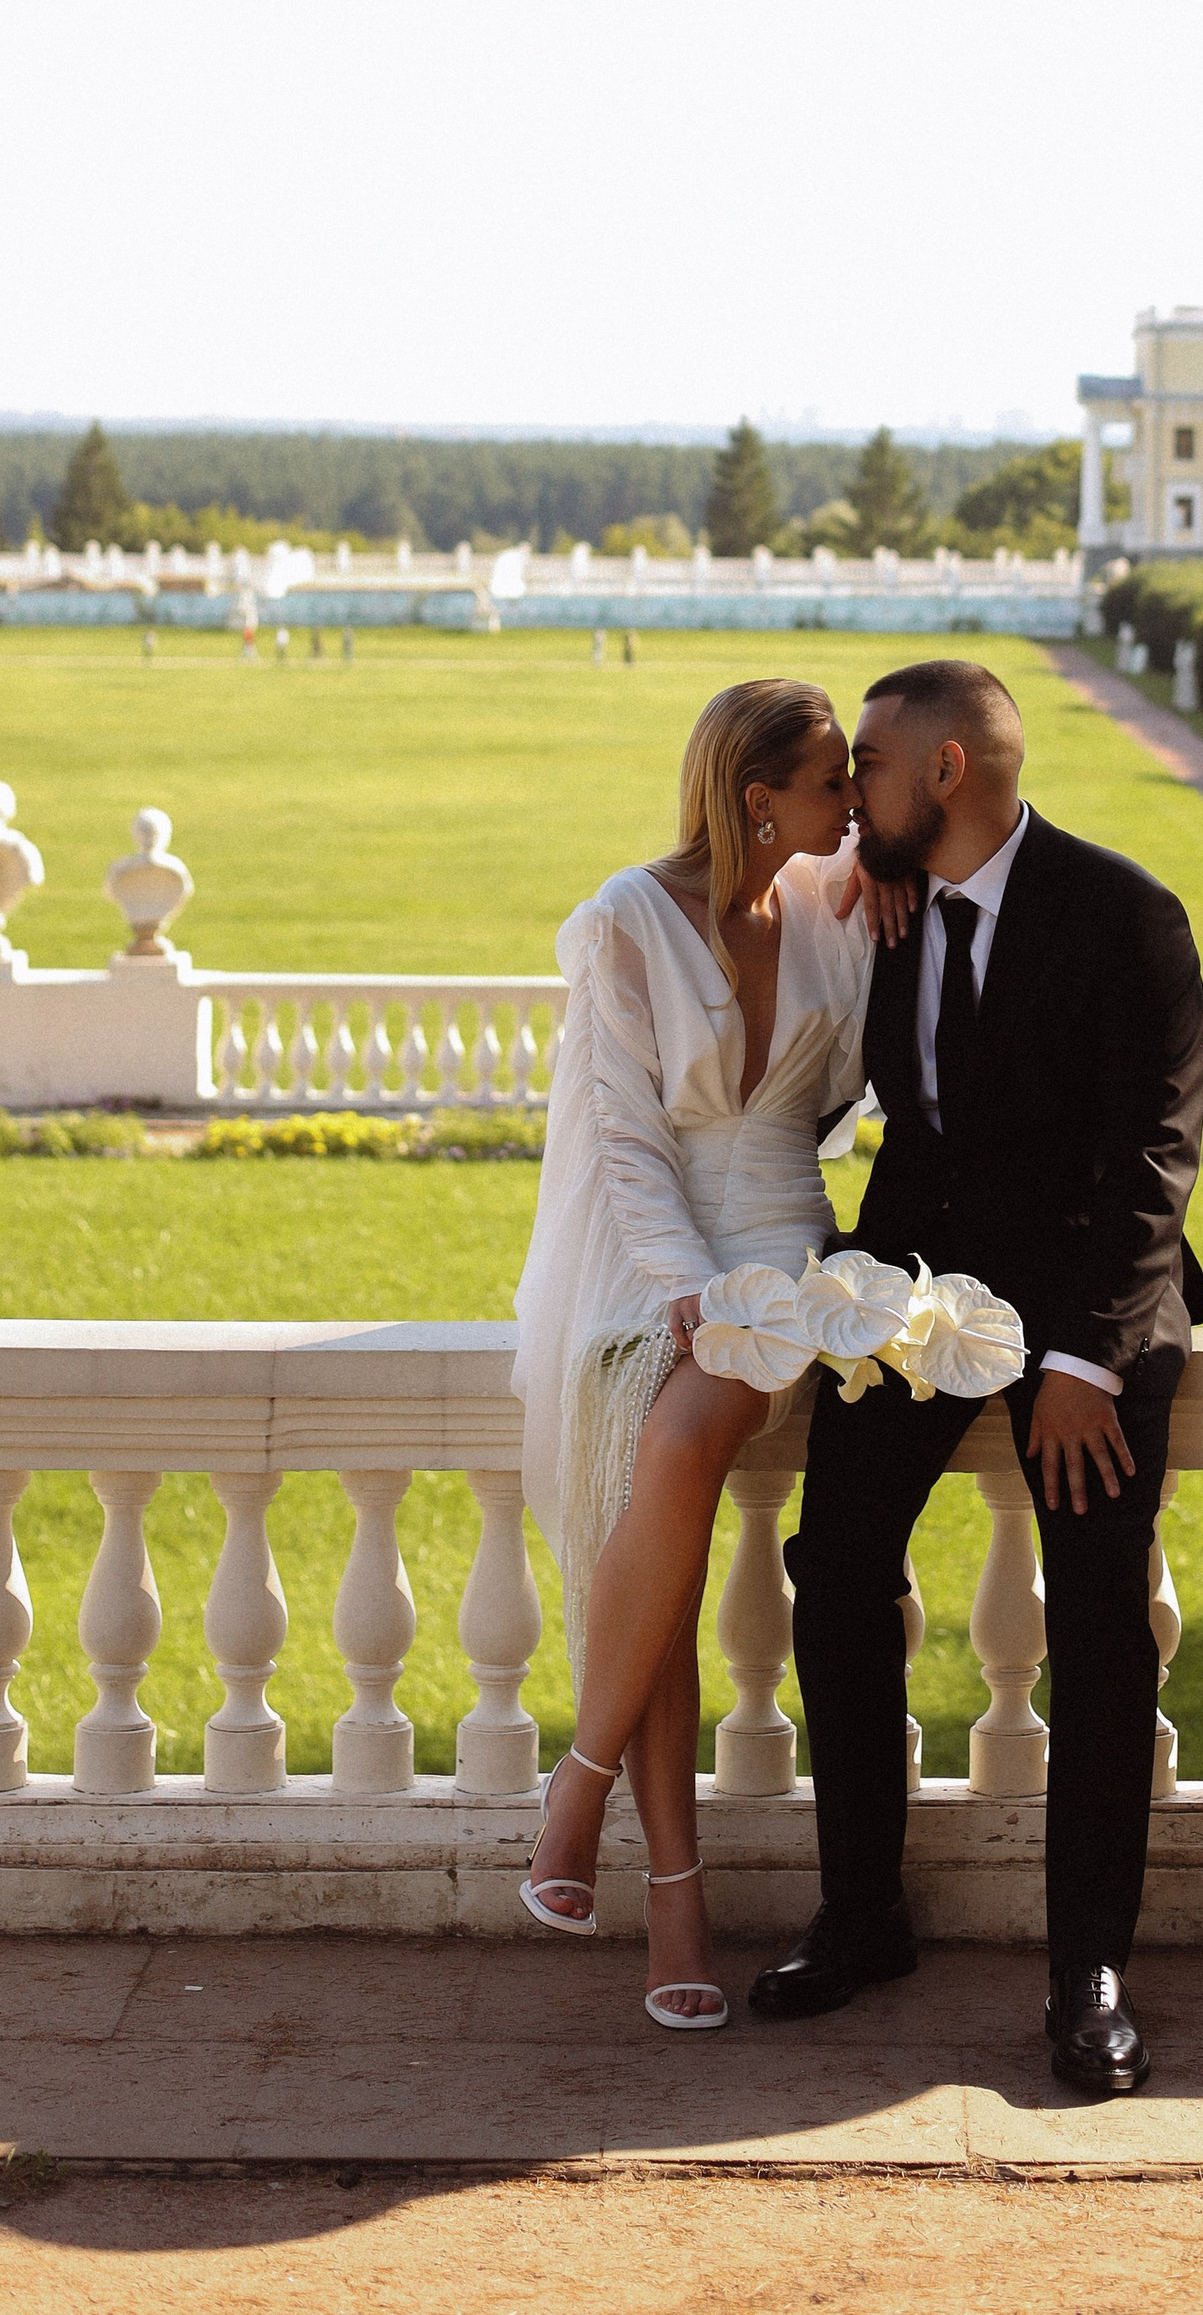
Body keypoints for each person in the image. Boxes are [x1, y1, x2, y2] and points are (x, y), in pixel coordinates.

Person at [751, 657, 1203, 2098]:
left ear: (947, 771)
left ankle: (1089, 1970)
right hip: (917, 1289)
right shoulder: (884, 903)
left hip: (1088, 1299)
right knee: (830, 1563)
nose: (849, 793)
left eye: (868, 767)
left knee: (1098, 1611)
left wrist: (1084, 1355)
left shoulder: (1126, 914)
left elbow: (1155, 1158)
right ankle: (864, 1912)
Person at [511, 678, 905, 2031]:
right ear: (760, 799)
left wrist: (882, 889)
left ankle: (578, 1789)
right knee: (653, 1501)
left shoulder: (835, 901)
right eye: (828, 782)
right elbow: (621, 1140)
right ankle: (672, 1896)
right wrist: (682, 1289)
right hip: (648, 1248)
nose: (852, 801)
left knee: (678, 1442)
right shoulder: (625, 917)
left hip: (792, 1244)